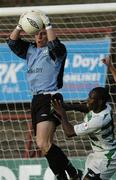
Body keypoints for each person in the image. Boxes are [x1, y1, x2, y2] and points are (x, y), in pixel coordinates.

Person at [7, 10, 81, 180]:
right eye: (37, 34)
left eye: (43, 34)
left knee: (42, 143)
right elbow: (12, 42)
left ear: (47, 35)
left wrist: (48, 25)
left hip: (51, 97)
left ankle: (70, 172)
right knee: (45, 145)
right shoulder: (30, 50)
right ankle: (65, 174)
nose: (40, 37)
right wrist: (20, 25)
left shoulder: (56, 52)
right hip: (36, 99)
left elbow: (56, 45)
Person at [52, 87, 116, 180]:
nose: (87, 100)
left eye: (91, 98)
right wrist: (67, 106)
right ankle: (78, 174)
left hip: (108, 157)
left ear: (100, 101)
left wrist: (62, 114)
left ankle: (77, 174)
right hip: (97, 155)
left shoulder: (99, 120)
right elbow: (86, 108)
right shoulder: (105, 107)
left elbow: (69, 132)